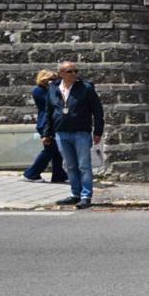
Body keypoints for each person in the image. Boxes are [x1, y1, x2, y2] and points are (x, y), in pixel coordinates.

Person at [42, 61, 104, 209]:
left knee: (84, 165)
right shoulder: (53, 88)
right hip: (61, 132)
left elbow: (97, 110)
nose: (74, 74)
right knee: (70, 165)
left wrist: (98, 131)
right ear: (61, 73)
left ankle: (86, 196)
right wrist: (46, 133)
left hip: (81, 132)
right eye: (70, 71)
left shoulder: (86, 88)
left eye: (76, 71)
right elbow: (49, 112)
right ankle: (75, 194)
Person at [22, 69, 68, 183]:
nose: (54, 81)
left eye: (56, 79)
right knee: (49, 150)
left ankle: (59, 175)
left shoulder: (51, 90)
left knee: (56, 152)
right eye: (51, 79)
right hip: (45, 124)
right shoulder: (39, 91)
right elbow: (53, 103)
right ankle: (31, 174)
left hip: (53, 123)